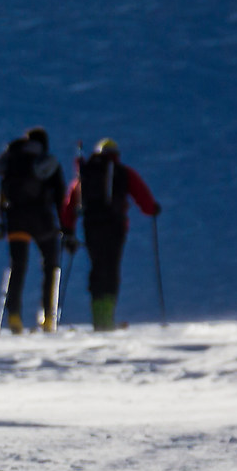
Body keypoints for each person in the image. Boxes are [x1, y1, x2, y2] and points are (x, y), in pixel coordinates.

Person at [61, 139, 160, 331]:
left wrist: (68, 230)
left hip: (91, 227)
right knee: (111, 269)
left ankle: (98, 317)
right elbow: (142, 195)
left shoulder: (85, 173)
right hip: (115, 227)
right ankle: (107, 318)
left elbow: (70, 203)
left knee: (97, 268)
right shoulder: (122, 172)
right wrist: (152, 209)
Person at [0, 126, 68, 332]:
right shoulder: (47, 162)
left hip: (15, 219)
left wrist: (2, 221)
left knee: (17, 267)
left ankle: (14, 315)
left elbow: (3, 193)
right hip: (42, 220)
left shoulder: (12, 159)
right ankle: (48, 315)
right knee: (50, 266)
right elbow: (60, 195)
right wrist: (65, 227)